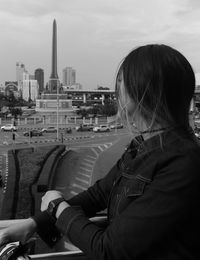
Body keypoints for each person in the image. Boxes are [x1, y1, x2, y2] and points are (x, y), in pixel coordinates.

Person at [0, 44, 200, 260]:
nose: (118, 90)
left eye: (122, 81)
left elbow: (109, 251)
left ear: (144, 90)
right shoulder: (141, 146)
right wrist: (34, 223)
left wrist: (58, 207)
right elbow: (100, 194)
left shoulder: (184, 164)